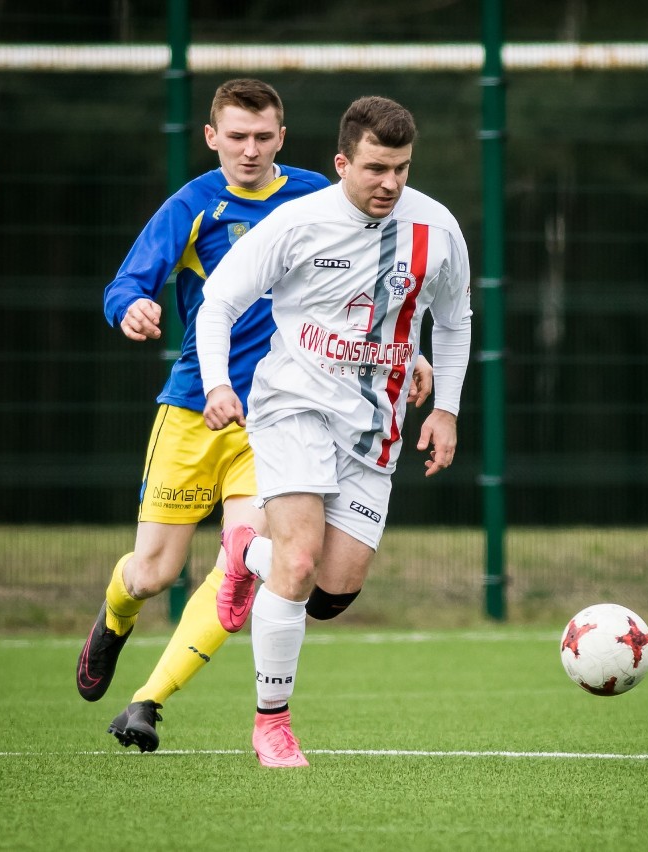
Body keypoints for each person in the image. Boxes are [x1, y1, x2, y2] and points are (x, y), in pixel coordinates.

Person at [75, 78, 435, 754]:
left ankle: (148, 701)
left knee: (243, 566)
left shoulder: (319, 198)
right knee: (153, 572)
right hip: (194, 409)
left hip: (282, 414)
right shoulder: (192, 206)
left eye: (262, 137)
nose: (248, 149)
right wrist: (130, 307)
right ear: (212, 138)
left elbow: (380, 289)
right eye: (235, 137)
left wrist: (407, 352)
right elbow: (126, 281)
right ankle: (117, 614)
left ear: (283, 137)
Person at [196, 95, 472, 767]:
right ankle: (272, 725)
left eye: (402, 169)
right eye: (376, 168)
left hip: (374, 425)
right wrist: (216, 383)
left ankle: (242, 552)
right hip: (292, 405)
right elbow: (220, 302)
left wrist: (446, 410)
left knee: (333, 591)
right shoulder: (298, 223)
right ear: (342, 161)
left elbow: (456, 320)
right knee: (296, 558)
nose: (390, 184)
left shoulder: (437, 229)